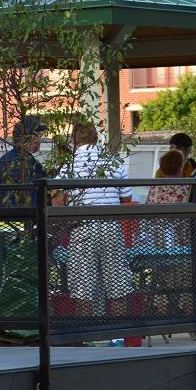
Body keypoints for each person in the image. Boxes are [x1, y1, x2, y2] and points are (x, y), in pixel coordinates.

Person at [64, 120, 134, 316]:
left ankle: (86, 336)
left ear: (74, 140)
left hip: (82, 227)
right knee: (117, 283)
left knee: (83, 287)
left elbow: (58, 198)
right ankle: (118, 336)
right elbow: (126, 199)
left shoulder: (70, 164)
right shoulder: (112, 161)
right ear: (95, 138)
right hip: (111, 226)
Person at [0, 117, 46, 208]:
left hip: (4, 217)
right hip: (21, 217)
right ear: (25, 139)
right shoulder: (26, 163)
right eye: (35, 136)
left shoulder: (5, 159)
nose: (38, 140)